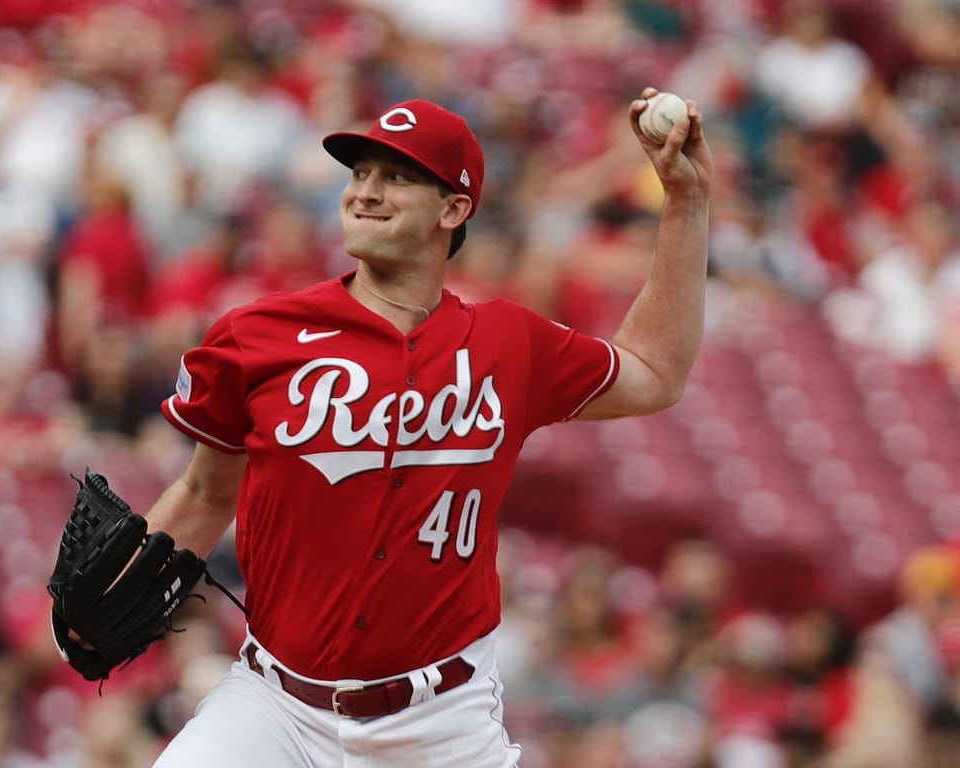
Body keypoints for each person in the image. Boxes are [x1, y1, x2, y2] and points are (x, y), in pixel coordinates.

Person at [143, 89, 711, 766]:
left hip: (440, 724)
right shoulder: (259, 334)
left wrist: (685, 203)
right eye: (360, 174)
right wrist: (123, 587)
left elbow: (656, 372)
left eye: (397, 177)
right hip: (275, 709)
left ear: (454, 208)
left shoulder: (507, 343)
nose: (366, 192)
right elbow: (207, 493)